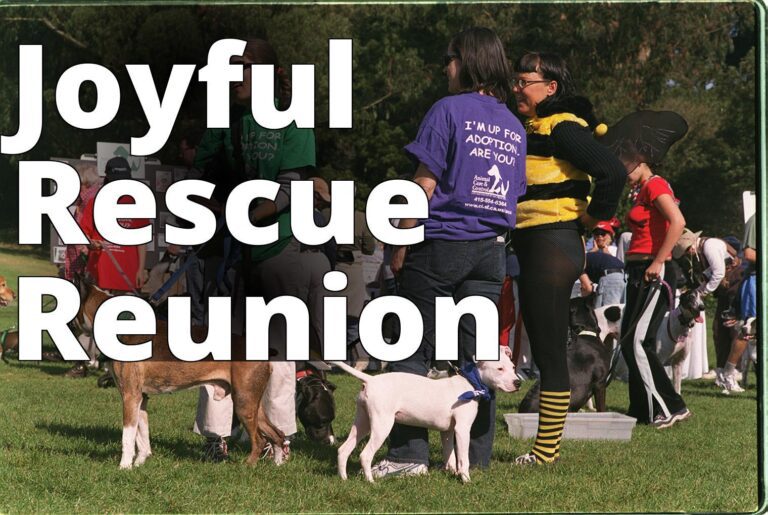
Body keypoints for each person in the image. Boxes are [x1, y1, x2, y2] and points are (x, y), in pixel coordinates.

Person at [370, 27, 526, 478]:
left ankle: (407, 457)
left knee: (410, 345)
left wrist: (399, 242)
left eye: (451, 57)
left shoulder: (447, 110)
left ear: (470, 61)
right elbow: (512, 193)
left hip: (440, 242)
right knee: (478, 357)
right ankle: (471, 456)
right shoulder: (514, 126)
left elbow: (423, 185)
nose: (445, 66)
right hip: (491, 251)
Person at [192, 38, 329, 462]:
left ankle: (280, 440)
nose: (236, 76)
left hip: (281, 249)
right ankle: (216, 438)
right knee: (225, 348)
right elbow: (203, 162)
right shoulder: (232, 118)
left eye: (245, 67)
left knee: (278, 353)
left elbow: (290, 188)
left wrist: (245, 215)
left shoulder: (293, 118)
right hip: (240, 253)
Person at [510, 51, 625, 464]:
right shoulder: (534, 126)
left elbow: (612, 171)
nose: (517, 88)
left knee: (547, 350)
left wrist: (593, 217)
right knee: (543, 346)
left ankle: (545, 452)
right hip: (537, 242)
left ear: (551, 87)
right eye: (516, 81)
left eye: (525, 81)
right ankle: (546, 450)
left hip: (552, 241)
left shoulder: (562, 127)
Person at [600, 110, 692, 428]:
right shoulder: (638, 190)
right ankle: (642, 409)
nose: (622, 170)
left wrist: (658, 261)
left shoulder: (655, 185)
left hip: (655, 271)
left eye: (625, 164)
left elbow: (678, 222)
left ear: (640, 159)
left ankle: (671, 407)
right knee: (629, 341)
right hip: (637, 271)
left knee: (639, 341)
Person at [672, 227, 741, 383]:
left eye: (685, 252)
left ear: (690, 247)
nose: (686, 255)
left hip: (734, 288)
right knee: (718, 329)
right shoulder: (706, 247)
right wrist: (697, 288)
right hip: (726, 290)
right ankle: (722, 369)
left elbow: (718, 273)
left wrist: (702, 292)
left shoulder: (709, 246)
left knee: (732, 329)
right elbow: (714, 272)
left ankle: (734, 370)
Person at [63, 161, 102, 377]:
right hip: (77, 269)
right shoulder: (81, 202)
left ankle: (85, 363)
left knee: (85, 317)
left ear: (85, 183)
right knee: (79, 317)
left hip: (87, 269)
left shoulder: (92, 202)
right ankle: (86, 361)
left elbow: (90, 236)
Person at [720, 213, 757, 394]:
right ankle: (728, 374)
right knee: (747, 330)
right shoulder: (756, 220)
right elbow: (749, 253)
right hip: (756, 281)